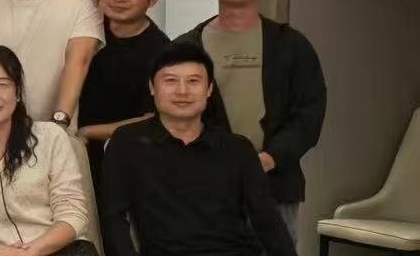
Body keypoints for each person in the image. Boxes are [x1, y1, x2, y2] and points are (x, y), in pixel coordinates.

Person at [177, 0, 326, 242]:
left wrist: (267, 160)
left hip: (274, 187)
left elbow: (309, 115)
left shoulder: (290, 45)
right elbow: (172, 114)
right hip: (203, 188)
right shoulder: (186, 47)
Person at [100, 41, 295, 256]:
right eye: (170, 81)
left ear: (209, 89)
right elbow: (113, 218)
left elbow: (268, 221)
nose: (182, 91)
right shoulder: (127, 143)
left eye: (193, 81)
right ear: (152, 87)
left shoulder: (238, 149)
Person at [0, 46, 94, 256]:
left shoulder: (50, 137)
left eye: (2, 85)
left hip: (54, 250)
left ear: (18, 92)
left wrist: (29, 253)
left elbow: (73, 213)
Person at [78, 0, 170, 186]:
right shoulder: (85, 26)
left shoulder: (161, 52)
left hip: (127, 160)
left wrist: (87, 131)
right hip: (73, 154)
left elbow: (152, 119)